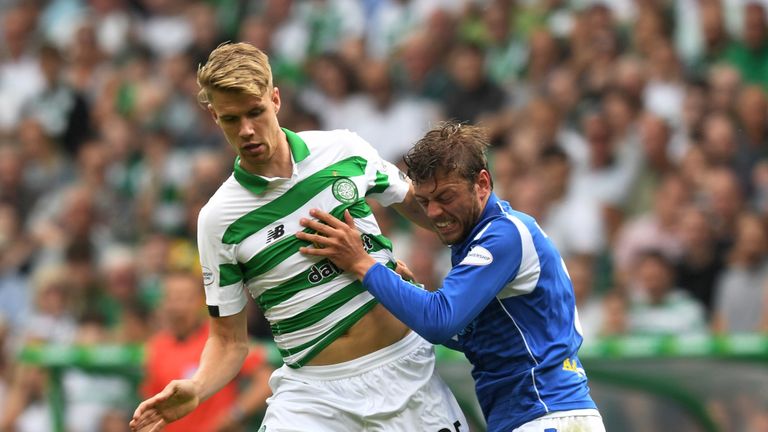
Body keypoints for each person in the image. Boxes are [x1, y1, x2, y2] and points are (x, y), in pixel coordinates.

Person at [130, 42, 467, 432]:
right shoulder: (217, 220)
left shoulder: (343, 149)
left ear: (275, 99)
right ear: (213, 117)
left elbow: (428, 211)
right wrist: (197, 386)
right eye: (231, 119)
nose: (247, 130)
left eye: (255, 112)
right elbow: (229, 341)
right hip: (315, 398)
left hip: (405, 371)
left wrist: (495, 238)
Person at [298, 121, 605, 431]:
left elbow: (438, 321)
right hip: (538, 416)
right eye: (423, 201)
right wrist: (410, 289)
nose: (432, 213)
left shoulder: (504, 236)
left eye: (445, 198)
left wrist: (362, 264)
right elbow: (468, 334)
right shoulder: (480, 239)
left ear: (482, 184)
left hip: (547, 415)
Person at [141, 271, 273, 432]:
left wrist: (235, 415)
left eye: (183, 298)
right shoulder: (156, 346)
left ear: (200, 301)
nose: (176, 305)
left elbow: (265, 380)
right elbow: (152, 402)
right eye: (170, 297)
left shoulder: (224, 338)